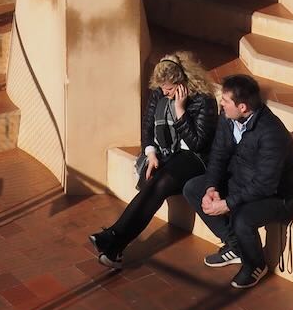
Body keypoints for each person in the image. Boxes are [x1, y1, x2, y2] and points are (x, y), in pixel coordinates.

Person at [89, 53, 217, 270]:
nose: (164, 93)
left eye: (168, 88)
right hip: (168, 153)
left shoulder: (205, 100)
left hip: (196, 158)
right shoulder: (159, 93)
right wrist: (150, 153)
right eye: (162, 88)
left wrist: (180, 111)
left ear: (183, 83)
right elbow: (148, 126)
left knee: (162, 181)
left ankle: (113, 238)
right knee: (155, 182)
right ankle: (114, 245)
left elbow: (197, 144)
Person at [182, 72, 293, 291]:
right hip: (242, 181)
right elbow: (218, 155)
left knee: (242, 217)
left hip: (276, 196)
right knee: (193, 188)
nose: (222, 104)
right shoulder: (229, 119)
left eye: (226, 101)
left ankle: (255, 263)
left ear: (243, 107)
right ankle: (236, 246)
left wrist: (226, 203)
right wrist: (211, 187)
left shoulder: (271, 133)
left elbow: (266, 184)